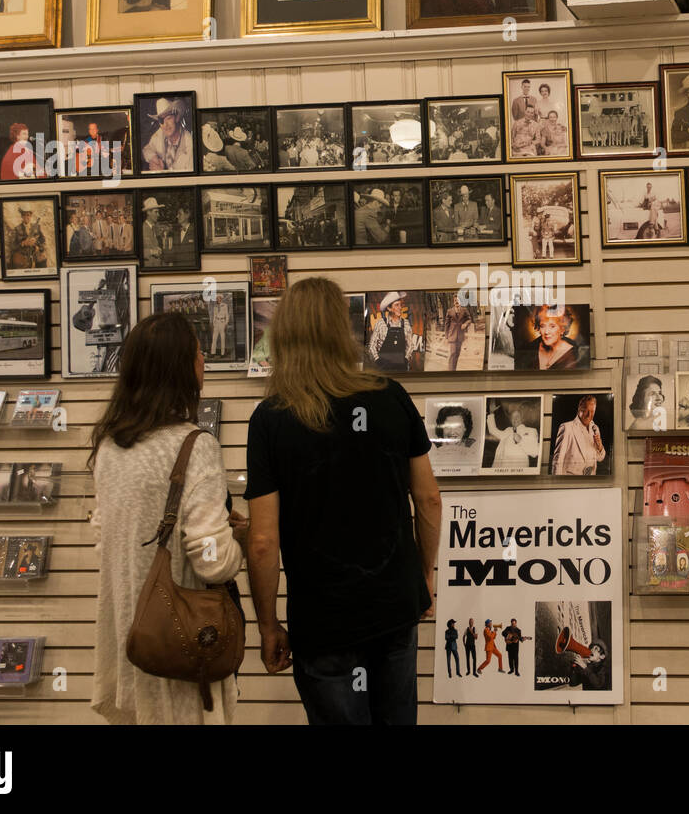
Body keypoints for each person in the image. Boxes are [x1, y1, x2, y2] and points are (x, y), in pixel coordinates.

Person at [243, 276, 441, 725]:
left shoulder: (270, 420)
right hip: (392, 604)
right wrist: (423, 577)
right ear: (342, 329)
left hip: (323, 618)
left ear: (285, 335)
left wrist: (269, 624)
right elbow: (428, 500)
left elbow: (261, 541)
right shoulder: (390, 397)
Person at [90, 313, 244, 724]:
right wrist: (236, 543)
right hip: (183, 649)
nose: (204, 362)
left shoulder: (109, 448)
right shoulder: (195, 445)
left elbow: (107, 537)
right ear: (181, 368)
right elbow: (211, 557)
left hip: (131, 638)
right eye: (198, 354)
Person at [514, 304, 585, 369]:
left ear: (562, 328)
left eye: (552, 326)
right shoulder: (530, 349)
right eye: (542, 326)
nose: (546, 332)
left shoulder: (573, 353)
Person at [551, 395, 606, 475]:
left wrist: (600, 446)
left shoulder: (595, 428)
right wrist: (556, 484)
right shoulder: (567, 428)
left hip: (590, 483)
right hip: (570, 483)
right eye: (585, 410)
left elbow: (600, 458)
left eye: (592, 411)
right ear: (579, 409)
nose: (589, 415)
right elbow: (558, 461)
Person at [368, 291, 423, 371]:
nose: (400, 308)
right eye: (397, 305)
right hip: (383, 367)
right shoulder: (380, 324)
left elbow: (410, 345)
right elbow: (372, 345)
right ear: (389, 308)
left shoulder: (406, 324)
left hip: (401, 367)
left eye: (400, 305)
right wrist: (377, 360)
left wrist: (406, 359)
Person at [141, 97, 194, 172]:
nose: (165, 125)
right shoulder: (160, 133)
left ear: (177, 118)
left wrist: (163, 172)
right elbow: (147, 149)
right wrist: (155, 158)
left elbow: (189, 179)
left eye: (169, 118)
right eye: (161, 121)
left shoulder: (189, 144)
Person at [487, 402, 539, 469]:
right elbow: (493, 430)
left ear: (522, 419)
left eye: (517, 416)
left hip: (517, 471)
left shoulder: (531, 431)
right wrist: (491, 413)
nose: (515, 419)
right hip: (500, 470)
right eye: (513, 417)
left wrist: (521, 441)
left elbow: (534, 452)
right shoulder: (507, 430)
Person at [8, 204, 46, 271]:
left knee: (43, 262)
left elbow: (43, 241)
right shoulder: (17, 229)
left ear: (31, 216)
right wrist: (23, 243)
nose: (26, 217)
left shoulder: (37, 227)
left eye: (28, 215)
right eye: (24, 215)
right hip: (22, 256)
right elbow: (12, 246)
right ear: (21, 216)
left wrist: (36, 243)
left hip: (35, 254)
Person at [443, 299, 473, 371]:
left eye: (458, 300)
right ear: (453, 302)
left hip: (460, 335)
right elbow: (447, 324)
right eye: (455, 300)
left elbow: (469, 319)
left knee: (457, 354)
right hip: (452, 335)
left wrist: (465, 324)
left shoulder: (464, 310)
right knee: (453, 353)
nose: (457, 302)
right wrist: (446, 336)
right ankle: (450, 370)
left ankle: (454, 370)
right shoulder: (449, 311)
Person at [209, 294, 232, 358]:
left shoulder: (225, 305)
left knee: (222, 339)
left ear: (221, 299)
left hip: (222, 322)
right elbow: (214, 316)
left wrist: (226, 324)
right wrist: (213, 324)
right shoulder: (215, 306)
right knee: (214, 339)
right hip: (216, 323)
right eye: (216, 298)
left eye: (219, 298)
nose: (217, 299)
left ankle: (222, 353)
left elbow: (227, 315)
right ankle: (212, 353)